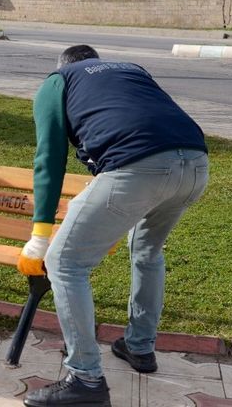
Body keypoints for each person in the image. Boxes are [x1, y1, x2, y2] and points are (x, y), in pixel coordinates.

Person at [18, 45, 209, 407]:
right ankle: (140, 347)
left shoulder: (56, 82)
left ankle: (85, 379)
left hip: (139, 166)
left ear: (62, 67)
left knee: (65, 263)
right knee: (148, 250)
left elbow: (49, 160)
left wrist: (40, 236)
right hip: (196, 164)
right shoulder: (131, 69)